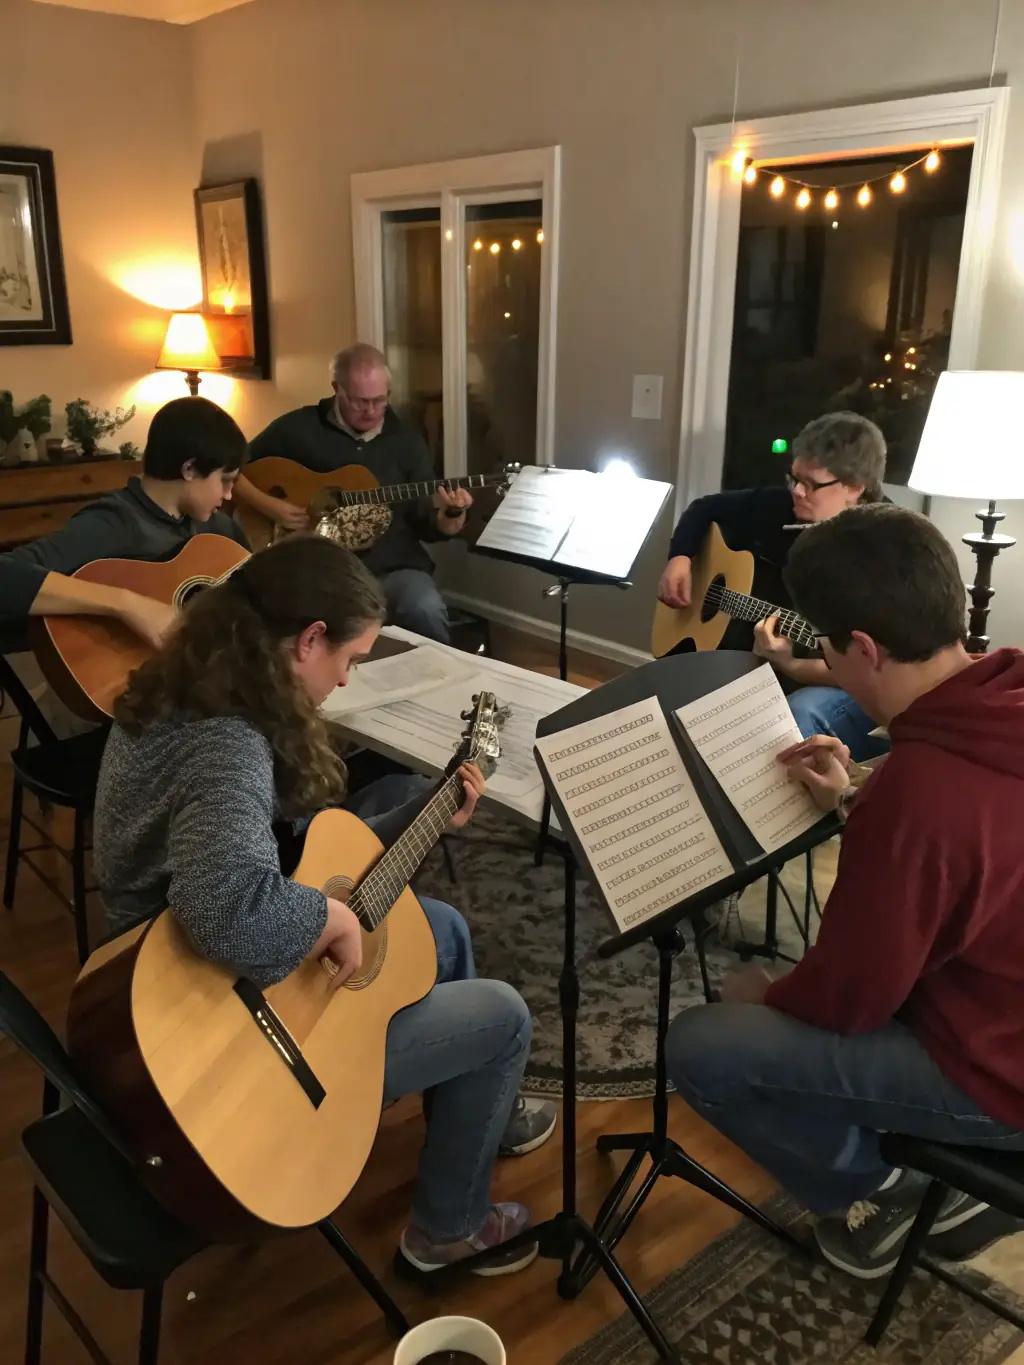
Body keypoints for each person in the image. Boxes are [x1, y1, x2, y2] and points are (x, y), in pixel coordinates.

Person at [92, 534, 555, 1274]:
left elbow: (295, 859)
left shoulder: (187, 686)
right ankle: (447, 1231)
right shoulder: (227, 745)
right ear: (308, 640)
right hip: (221, 1031)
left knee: (441, 928)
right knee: (504, 1017)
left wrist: (430, 812)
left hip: (162, 976)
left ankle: (480, 1110)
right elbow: (227, 911)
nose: (345, 678)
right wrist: (330, 917)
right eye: (350, 658)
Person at [665, 504, 1024, 1279]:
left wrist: (767, 991)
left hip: (1000, 1078)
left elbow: (849, 999)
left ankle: (880, 1193)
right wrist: (857, 795)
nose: (821, 658)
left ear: (863, 647)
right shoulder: (1004, 699)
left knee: (703, 1043)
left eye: (824, 646)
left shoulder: (921, 789)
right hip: (1004, 1007)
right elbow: (976, 857)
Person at [658, 411, 888, 762]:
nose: (797, 491)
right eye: (794, 478)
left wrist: (790, 665)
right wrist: (680, 558)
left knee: (793, 715)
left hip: (840, 681)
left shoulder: (885, 546)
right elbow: (704, 508)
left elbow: (871, 671)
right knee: (674, 691)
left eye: (811, 484)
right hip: (760, 654)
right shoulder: (781, 505)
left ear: (855, 488)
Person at [234, 344, 468, 643]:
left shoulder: (406, 440)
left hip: (393, 568)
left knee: (425, 608)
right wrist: (272, 507)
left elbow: (425, 520)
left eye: (380, 400)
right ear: (337, 389)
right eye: (360, 401)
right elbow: (231, 469)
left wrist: (448, 519)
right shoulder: (298, 428)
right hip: (321, 571)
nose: (371, 410)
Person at [0, 396, 250, 654]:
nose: (229, 494)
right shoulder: (113, 523)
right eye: (225, 480)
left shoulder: (220, 529)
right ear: (189, 469)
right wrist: (126, 604)